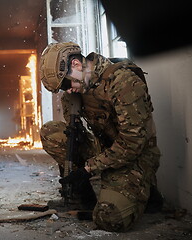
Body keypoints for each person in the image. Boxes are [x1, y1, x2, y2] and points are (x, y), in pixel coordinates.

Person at [39, 42, 163, 232]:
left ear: (76, 65)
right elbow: (74, 135)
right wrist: (75, 165)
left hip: (134, 157)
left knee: (110, 218)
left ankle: (144, 190)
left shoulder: (122, 82)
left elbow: (133, 143)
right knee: (52, 133)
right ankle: (84, 197)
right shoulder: (76, 91)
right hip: (106, 150)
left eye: (66, 83)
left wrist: (89, 168)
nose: (68, 90)